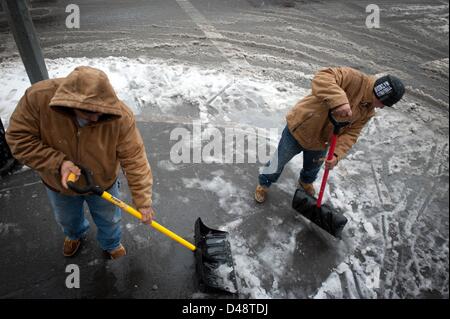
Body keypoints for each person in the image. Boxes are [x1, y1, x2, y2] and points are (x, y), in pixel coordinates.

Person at [6, 66, 154, 259]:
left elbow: (135, 158)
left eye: (99, 112)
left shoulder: (120, 116)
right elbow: (18, 139)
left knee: (109, 219)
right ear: (68, 103)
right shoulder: (38, 98)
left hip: (102, 182)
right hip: (59, 183)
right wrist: (59, 163)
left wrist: (143, 201)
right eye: (87, 112)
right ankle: (74, 235)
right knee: (67, 218)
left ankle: (111, 243)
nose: (94, 118)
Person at [255, 67, 405, 203]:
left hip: (322, 141)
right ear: (379, 93)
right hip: (300, 129)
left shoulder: (368, 110)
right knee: (278, 161)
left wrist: (336, 154)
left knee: (313, 167)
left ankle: (305, 182)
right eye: (383, 103)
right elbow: (322, 77)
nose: (382, 107)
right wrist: (339, 101)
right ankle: (264, 183)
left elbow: (352, 133)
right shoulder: (353, 78)